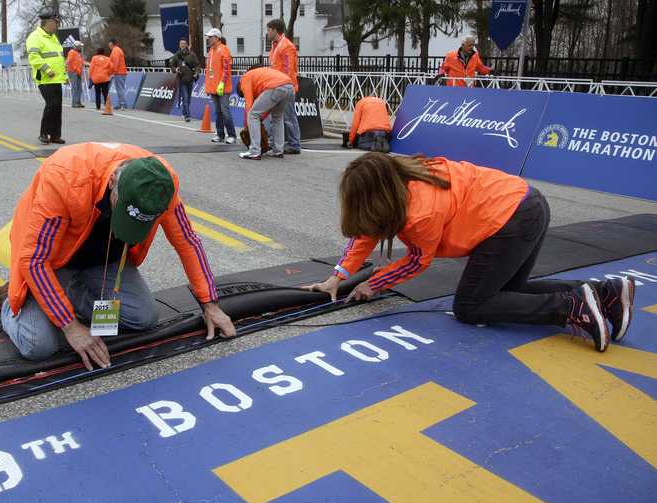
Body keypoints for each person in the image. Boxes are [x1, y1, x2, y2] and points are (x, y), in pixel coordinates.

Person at [304, 154, 636, 353]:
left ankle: (571, 307)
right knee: (508, 294)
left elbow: (418, 261)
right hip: (525, 203)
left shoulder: (421, 212)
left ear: (380, 198)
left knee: (472, 305)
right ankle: (604, 293)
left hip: (508, 221)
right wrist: (338, 277)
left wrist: (373, 284)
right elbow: (367, 230)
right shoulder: (403, 177)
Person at [0, 142, 237, 368]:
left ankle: (64, 294)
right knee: (38, 346)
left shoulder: (159, 185)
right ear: (112, 183)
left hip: (103, 258)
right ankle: (10, 301)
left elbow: (187, 241)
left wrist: (209, 304)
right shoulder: (64, 178)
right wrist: (70, 326)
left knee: (143, 318)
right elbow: (34, 260)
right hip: (52, 261)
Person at [25, 11, 67, 145]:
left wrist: (65, 75)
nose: (57, 25)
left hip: (57, 78)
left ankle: (55, 135)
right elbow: (33, 58)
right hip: (44, 78)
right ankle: (44, 133)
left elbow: (60, 58)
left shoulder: (53, 37)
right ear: (48, 22)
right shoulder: (35, 37)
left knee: (58, 106)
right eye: (56, 22)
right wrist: (47, 69)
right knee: (52, 104)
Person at [236, 67, 293, 160]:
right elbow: (268, 107)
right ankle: (278, 151)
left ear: (240, 88)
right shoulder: (257, 80)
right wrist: (261, 118)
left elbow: (249, 105)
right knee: (277, 118)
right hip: (289, 86)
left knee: (252, 115)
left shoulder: (244, 79)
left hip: (276, 86)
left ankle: (254, 151)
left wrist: (247, 126)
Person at [266, 18, 301, 154]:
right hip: (278, 86)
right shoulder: (276, 45)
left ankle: (294, 144)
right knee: (278, 117)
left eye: (268, 30)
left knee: (288, 117)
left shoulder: (286, 46)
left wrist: (286, 86)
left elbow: (289, 69)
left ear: (275, 30)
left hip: (284, 87)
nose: (267, 33)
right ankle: (275, 143)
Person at [205, 28, 235, 144]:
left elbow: (227, 69)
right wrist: (208, 86)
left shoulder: (224, 50)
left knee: (225, 111)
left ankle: (231, 135)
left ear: (217, 38)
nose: (208, 39)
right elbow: (209, 71)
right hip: (213, 87)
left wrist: (222, 83)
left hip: (223, 87)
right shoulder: (211, 51)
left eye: (210, 37)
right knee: (217, 112)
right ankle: (220, 134)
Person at [169, 37, 199, 122]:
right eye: (181, 43)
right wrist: (176, 70)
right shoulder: (177, 55)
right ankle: (187, 115)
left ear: (186, 45)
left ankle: (184, 112)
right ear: (179, 45)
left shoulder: (192, 54)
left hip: (190, 80)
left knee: (188, 99)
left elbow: (197, 65)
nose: (182, 45)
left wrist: (196, 73)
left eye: (183, 43)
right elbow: (171, 66)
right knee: (185, 98)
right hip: (181, 80)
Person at [89, 47, 113, 113]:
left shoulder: (94, 58)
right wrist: (109, 73)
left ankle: (98, 106)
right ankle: (106, 106)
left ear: (97, 52)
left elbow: (91, 68)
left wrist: (90, 76)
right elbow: (111, 67)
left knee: (97, 92)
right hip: (105, 78)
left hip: (96, 78)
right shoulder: (108, 59)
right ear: (103, 52)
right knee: (105, 93)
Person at [108, 39, 128, 109]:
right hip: (120, 72)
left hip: (119, 73)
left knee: (120, 89)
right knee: (120, 89)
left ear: (111, 43)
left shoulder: (115, 50)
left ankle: (122, 104)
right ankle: (122, 103)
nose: (108, 45)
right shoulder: (117, 50)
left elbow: (115, 62)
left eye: (109, 44)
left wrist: (113, 72)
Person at [66, 41, 84, 108]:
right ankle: (74, 103)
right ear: (76, 46)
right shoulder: (72, 52)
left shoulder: (78, 53)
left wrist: (89, 64)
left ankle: (78, 102)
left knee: (79, 88)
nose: (81, 47)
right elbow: (68, 61)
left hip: (78, 72)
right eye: (80, 46)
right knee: (75, 87)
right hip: (73, 72)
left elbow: (81, 62)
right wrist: (66, 69)